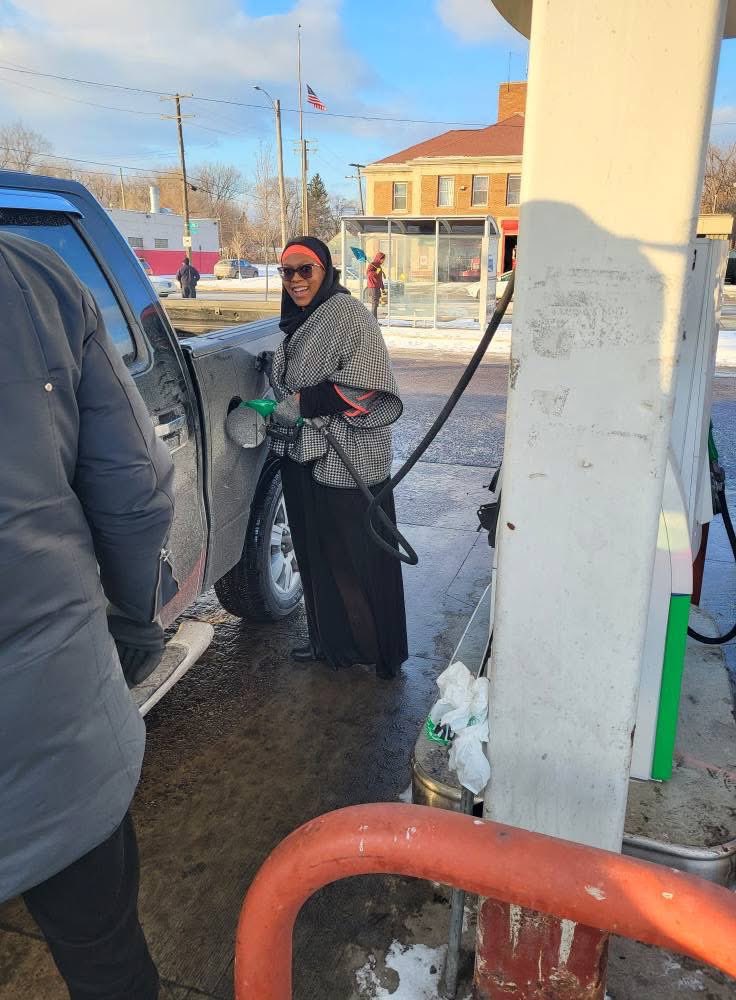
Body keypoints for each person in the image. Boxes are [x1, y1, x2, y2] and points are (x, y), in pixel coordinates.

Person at [0, 232, 177, 999]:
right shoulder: (33, 272)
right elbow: (136, 487)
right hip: (51, 730)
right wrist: (135, 621)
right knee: (107, 964)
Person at [266, 236, 408, 679]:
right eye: (286, 272)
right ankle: (332, 643)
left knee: (358, 557)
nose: (295, 280)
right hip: (305, 454)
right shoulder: (302, 320)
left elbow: (371, 385)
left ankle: (380, 651)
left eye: (304, 270)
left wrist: (308, 401)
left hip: (350, 459)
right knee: (316, 553)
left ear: (325, 271)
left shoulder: (348, 315)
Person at [366, 250, 385, 318]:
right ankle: (373, 320)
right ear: (379, 258)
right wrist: (376, 272)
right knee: (374, 304)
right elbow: (369, 275)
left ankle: (374, 320)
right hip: (373, 287)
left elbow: (380, 278)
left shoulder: (378, 266)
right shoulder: (372, 264)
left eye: (383, 260)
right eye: (382, 259)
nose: (383, 261)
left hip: (377, 287)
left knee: (376, 304)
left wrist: (383, 288)